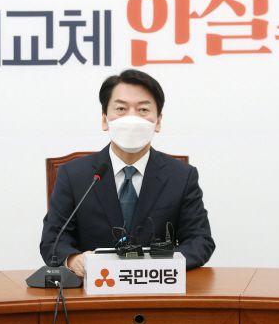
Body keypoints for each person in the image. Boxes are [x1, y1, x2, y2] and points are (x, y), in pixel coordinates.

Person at [39, 69, 215, 276]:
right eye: (121, 109)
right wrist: (73, 260)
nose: (132, 118)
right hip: (93, 286)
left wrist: (156, 267)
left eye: (143, 110)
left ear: (158, 121)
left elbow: (200, 241)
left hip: (157, 285)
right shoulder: (73, 175)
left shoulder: (181, 176)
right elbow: (53, 239)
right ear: (104, 119)